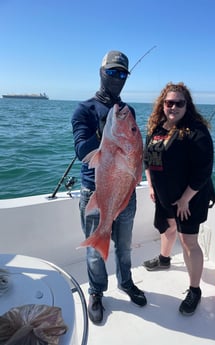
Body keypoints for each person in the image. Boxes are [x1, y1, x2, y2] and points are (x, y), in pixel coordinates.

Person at [71, 51, 147, 324]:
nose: (117, 78)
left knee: (125, 246)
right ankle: (96, 292)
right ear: (101, 72)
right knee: (95, 250)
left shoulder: (126, 111)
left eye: (122, 74)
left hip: (124, 190)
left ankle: (126, 282)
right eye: (112, 72)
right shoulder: (85, 109)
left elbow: (135, 150)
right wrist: (104, 135)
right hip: (96, 190)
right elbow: (82, 150)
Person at [142, 82, 215, 316]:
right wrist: (151, 185)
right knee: (167, 228)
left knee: (189, 243)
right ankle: (164, 259)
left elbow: (204, 170)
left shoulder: (196, 130)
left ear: (187, 105)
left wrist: (185, 199)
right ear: (162, 104)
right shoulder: (157, 127)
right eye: (169, 102)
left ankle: (195, 290)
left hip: (190, 198)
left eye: (179, 103)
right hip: (164, 193)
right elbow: (148, 158)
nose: (173, 107)